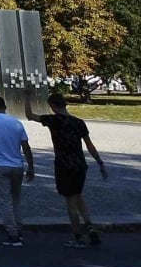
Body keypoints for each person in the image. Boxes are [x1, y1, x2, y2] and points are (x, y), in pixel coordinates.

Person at [26, 91, 108, 247]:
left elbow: (29, 115)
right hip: (79, 164)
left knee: (70, 203)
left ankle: (77, 237)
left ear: (52, 106)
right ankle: (90, 225)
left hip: (64, 164)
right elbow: (89, 145)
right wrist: (100, 162)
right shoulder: (79, 122)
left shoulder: (53, 120)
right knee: (79, 196)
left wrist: (27, 97)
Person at [0, 95, 36, 246]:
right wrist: (31, 166)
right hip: (17, 165)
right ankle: (19, 228)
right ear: (5, 106)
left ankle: (12, 233)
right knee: (16, 199)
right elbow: (26, 146)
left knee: (5, 201)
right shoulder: (16, 123)